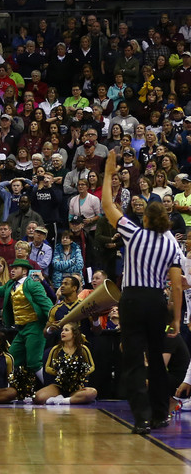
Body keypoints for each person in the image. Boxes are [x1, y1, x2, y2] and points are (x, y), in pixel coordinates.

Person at [101, 149, 184, 433]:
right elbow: (175, 283)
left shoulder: (133, 233)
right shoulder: (172, 242)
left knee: (134, 360)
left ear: (146, 219)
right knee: (158, 361)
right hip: (157, 302)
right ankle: (161, 414)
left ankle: (143, 418)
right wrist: (176, 318)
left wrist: (109, 172)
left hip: (133, 299)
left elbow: (107, 206)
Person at [0, 259, 53, 382]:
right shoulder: (11, 284)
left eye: (16, 268)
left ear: (25, 271)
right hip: (20, 328)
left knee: (34, 362)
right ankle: (7, 388)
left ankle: (51, 388)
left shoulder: (33, 284)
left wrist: (51, 320)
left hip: (35, 326)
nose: (12, 270)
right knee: (11, 357)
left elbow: (46, 303)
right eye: (12, 268)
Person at [34, 322, 98, 406]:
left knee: (92, 393)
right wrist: (61, 373)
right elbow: (47, 368)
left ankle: (63, 401)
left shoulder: (82, 349)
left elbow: (92, 366)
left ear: (74, 334)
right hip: (59, 386)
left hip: (76, 386)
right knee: (38, 397)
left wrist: (79, 373)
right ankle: (67, 398)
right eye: (62, 330)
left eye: (66, 330)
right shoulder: (56, 349)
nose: (62, 332)